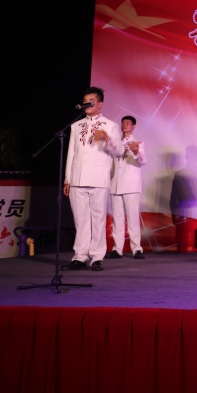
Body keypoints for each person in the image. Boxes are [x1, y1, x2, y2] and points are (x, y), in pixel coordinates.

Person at [62, 87, 123, 272]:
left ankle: (97, 257)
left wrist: (106, 139)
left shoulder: (110, 125)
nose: (87, 103)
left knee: (98, 219)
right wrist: (67, 179)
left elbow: (120, 151)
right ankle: (80, 257)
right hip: (77, 178)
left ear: (100, 104)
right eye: (85, 101)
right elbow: (71, 153)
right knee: (80, 220)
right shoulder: (76, 126)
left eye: (91, 100)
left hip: (98, 178)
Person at [109, 115, 147, 260]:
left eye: (128, 123)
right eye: (123, 123)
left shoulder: (138, 142)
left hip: (131, 185)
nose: (125, 125)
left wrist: (136, 152)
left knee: (132, 218)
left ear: (133, 126)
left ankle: (136, 249)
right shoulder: (115, 143)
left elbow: (143, 160)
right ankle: (117, 249)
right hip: (115, 184)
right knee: (117, 219)